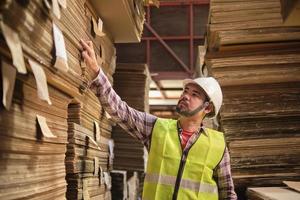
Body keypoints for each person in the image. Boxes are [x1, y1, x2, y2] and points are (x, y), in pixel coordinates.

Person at [80, 39, 237, 200]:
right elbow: (121, 111)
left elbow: (228, 193)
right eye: (185, 91)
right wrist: (96, 73)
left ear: (208, 108)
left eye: (194, 95)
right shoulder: (157, 128)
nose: (185, 96)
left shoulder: (217, 145)